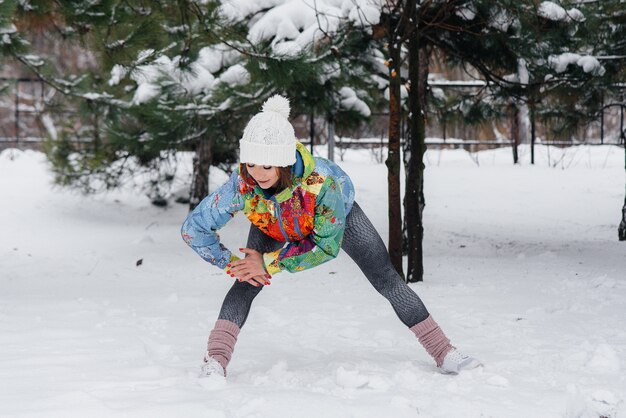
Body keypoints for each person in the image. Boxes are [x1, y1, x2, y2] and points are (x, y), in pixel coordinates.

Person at [181, 94, 481, 378]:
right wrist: (232, 263)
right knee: (246, 279)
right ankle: (216, 360)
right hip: (271, 221)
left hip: (336, 221)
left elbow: (325, 247)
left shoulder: (321, 184)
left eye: (267, 165)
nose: (258, 173)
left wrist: (269, 263)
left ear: (284, 161)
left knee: (386, 278)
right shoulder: (243, 184)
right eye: (250, 163)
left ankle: (444, 351)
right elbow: (194, 229)